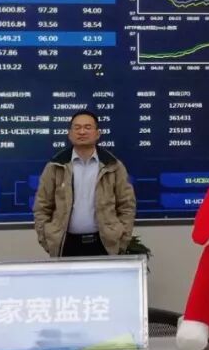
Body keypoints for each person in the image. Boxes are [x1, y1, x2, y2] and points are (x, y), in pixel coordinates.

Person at [33, 110, 136, 257]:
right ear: (69, 134)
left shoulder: (113, 166)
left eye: (88, 127)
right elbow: (42, 206)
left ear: (98, 134)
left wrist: (121, 241)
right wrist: (48, 239)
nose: (82, 132)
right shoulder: (55, 166)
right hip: (65, 244)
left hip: (105, 244)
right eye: (77, 127)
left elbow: (127, 206)